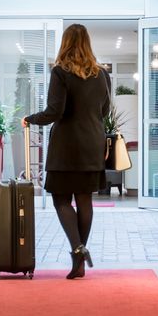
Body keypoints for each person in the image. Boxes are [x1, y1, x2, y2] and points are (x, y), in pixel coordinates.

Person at [22, 24, 112, 279]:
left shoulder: (60, 72)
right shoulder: (102, 74)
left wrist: (29, 118)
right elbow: (104, 112)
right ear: (88, 42)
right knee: (85, 200)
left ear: (65, 43)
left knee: (61, 199)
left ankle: (77, 249)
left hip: (67, 146)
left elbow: (54, 112)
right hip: (93, 144)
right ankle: (79, 257)